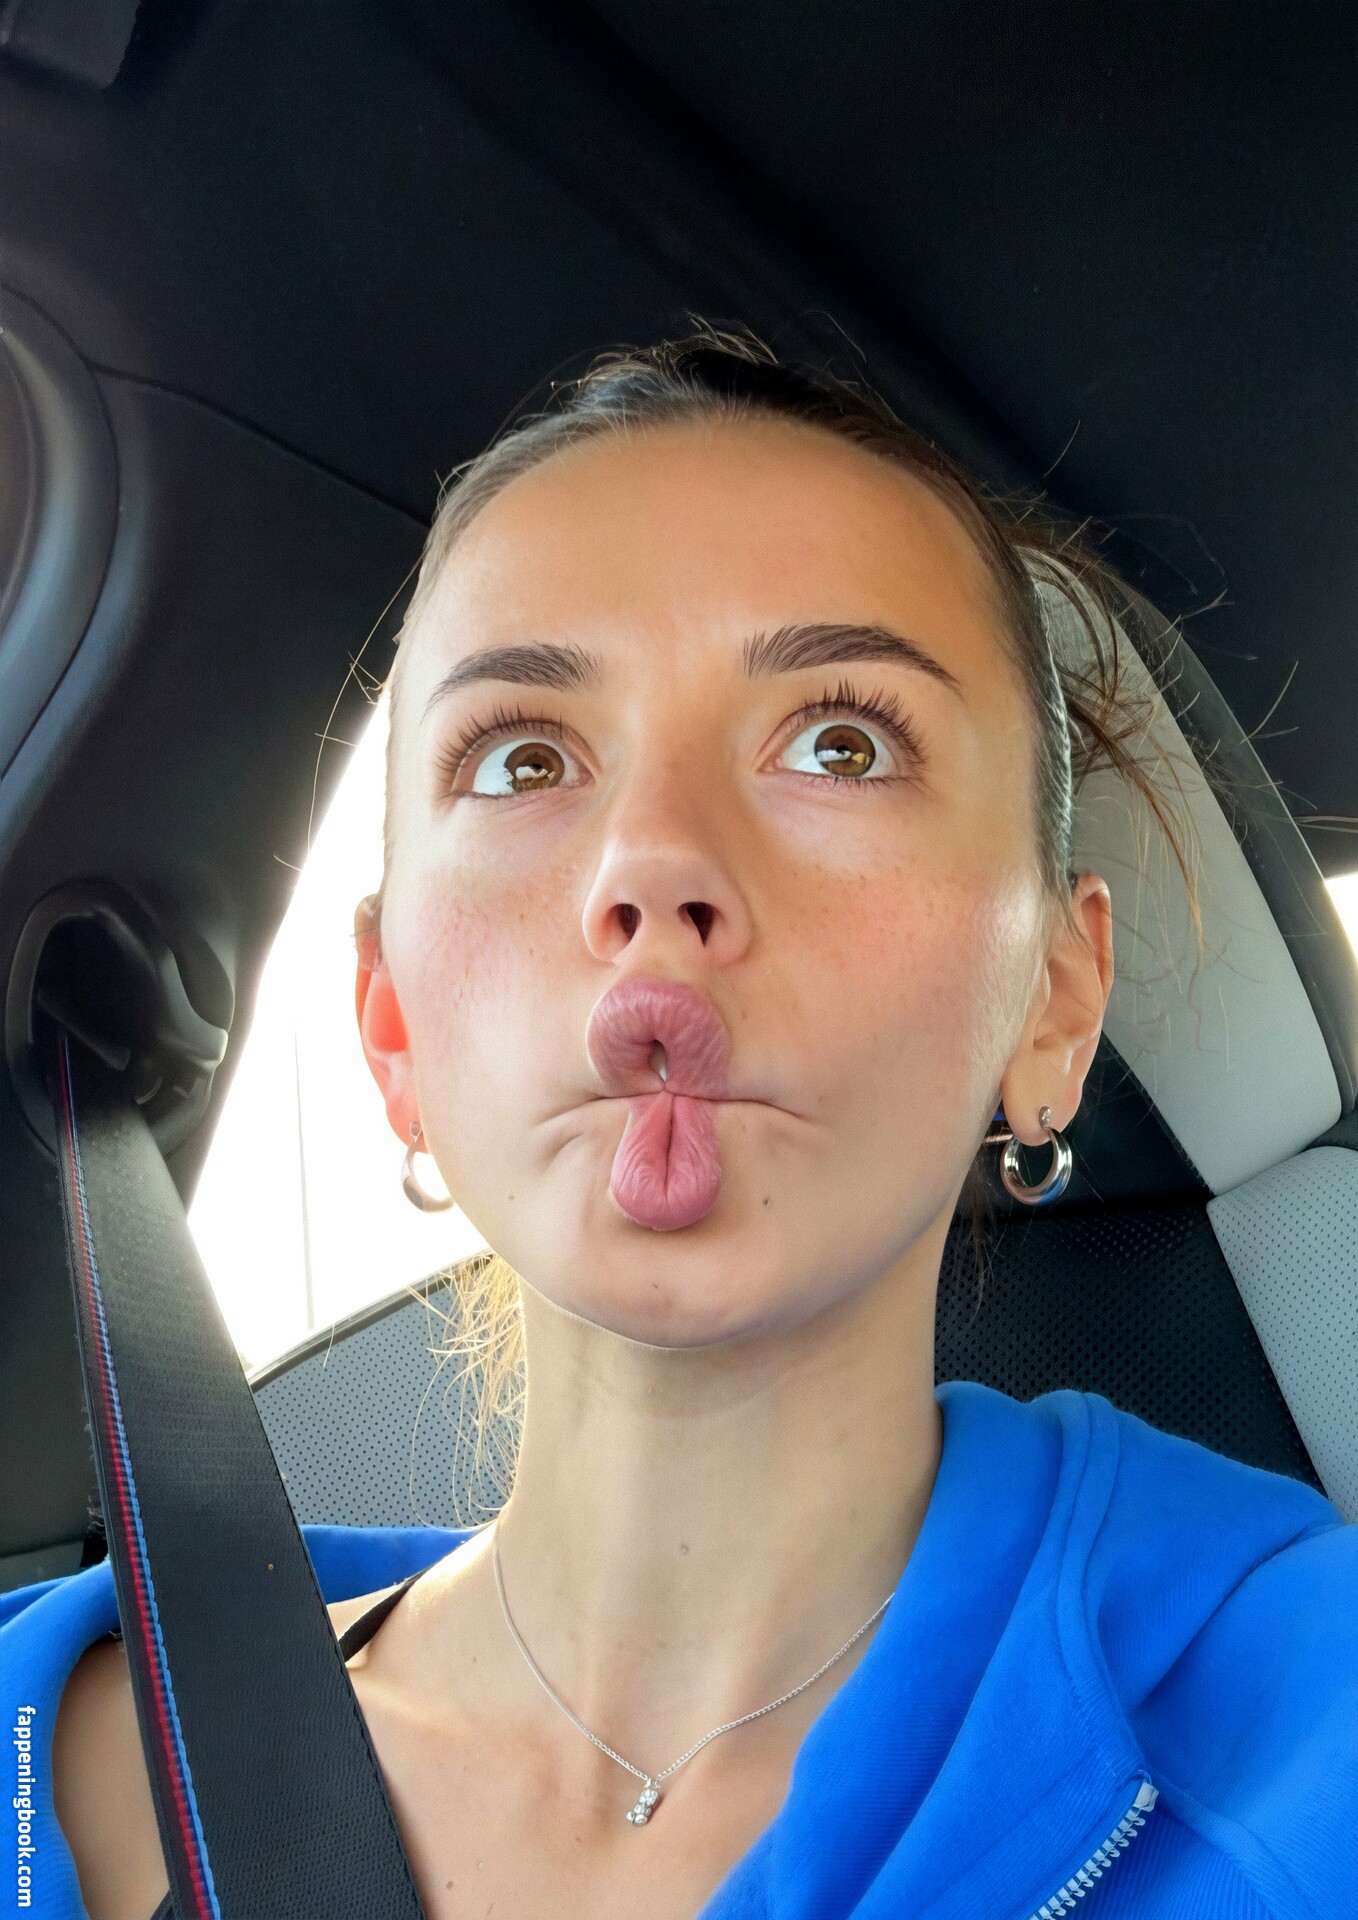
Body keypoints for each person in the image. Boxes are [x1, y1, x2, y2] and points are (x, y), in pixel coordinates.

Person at [5, 327, 1355, 1920]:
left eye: (840, 743)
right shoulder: (45, 1730)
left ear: (1054, 1001)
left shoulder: (1313, 1730)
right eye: (521, 759)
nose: (652, 865)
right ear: (392, 1028)